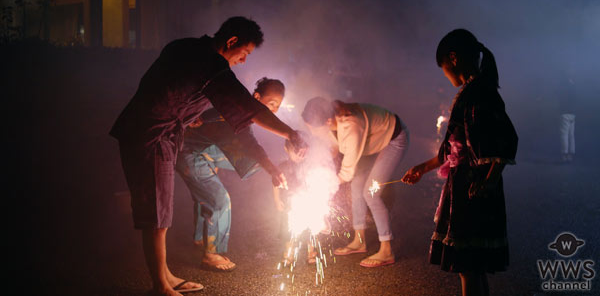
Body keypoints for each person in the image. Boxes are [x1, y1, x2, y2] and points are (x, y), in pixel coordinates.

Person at [110, 17, 305, 296]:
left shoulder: (184, 47)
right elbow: (248, 108)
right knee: (156, 213)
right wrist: (291, 134)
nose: (243, 60)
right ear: (231, 42)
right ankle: (161, 287)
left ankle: (165, 276)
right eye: (244, 53)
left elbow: (167, 87)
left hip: (150, 131)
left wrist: (190, 115)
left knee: (161, 212)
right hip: (152, 134)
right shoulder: (212, 66)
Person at [401, 29, 517, 296]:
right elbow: (454, 145)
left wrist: (488, 180)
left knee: (468, 264)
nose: (444, 74)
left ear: (453, 59)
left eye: (443, 68)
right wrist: (423, 167)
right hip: (465, 185)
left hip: (473, 188)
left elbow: (504, 139)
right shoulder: (470, 92)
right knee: (471, 266)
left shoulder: (480, 93)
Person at [176, 77, 287, 272]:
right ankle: (211, 255)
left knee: (253, 162)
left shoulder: (240, 110)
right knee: (219, 200)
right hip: (188, 153)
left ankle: (200, 239)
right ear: (257, 97)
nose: (274, 110)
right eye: (271, 104)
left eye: (278, 106)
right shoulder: (237, 112)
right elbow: (251, 144)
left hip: (203, 150)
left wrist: (270, 168)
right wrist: (272, 169)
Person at [301, 97, 409, 268]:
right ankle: (359, 241)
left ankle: (387, 250)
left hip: (393, 139)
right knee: (356, 187)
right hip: (371, 141)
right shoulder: (331, 122)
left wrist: (322, 192)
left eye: (314, 128)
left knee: (370, 193)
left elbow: (347, 172)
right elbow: (334, 149)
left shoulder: (351, 126)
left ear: (328, 121)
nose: (313, 133)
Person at [558, 69, 576, 163]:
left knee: (564, 134)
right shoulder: (574, 87)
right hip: (572, 114)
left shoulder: (564, 87)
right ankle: (570, 154)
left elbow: (560, 100)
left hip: (564, 113)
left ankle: (564, 154)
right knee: (571, 135)